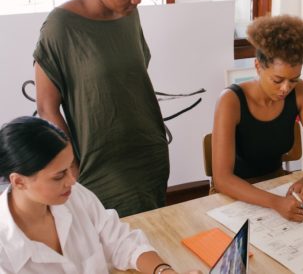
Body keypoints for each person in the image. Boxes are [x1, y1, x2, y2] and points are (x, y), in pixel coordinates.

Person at [33, 0, 169, 217]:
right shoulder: (60, 26)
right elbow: (47, 108)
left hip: (149, 151)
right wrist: (71, 166)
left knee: (152, 235)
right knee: (113, 240)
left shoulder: (129, 14)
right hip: (100, 162)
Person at [0, 116, 200, 274]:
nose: (71, 180)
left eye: (70, 167)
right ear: (18, 181)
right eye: (59, 175)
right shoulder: (4, 250)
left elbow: (120, 241)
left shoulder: (74, 196)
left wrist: (163, 271)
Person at [211, 15, 303, 222]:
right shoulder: (230, 101)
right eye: (278, 80)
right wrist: (276, 203)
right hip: (235, 194)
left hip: (276, 185)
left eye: (293, 80)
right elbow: (222, 179)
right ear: (258, 66)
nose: (286, 88)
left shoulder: (300, 92)